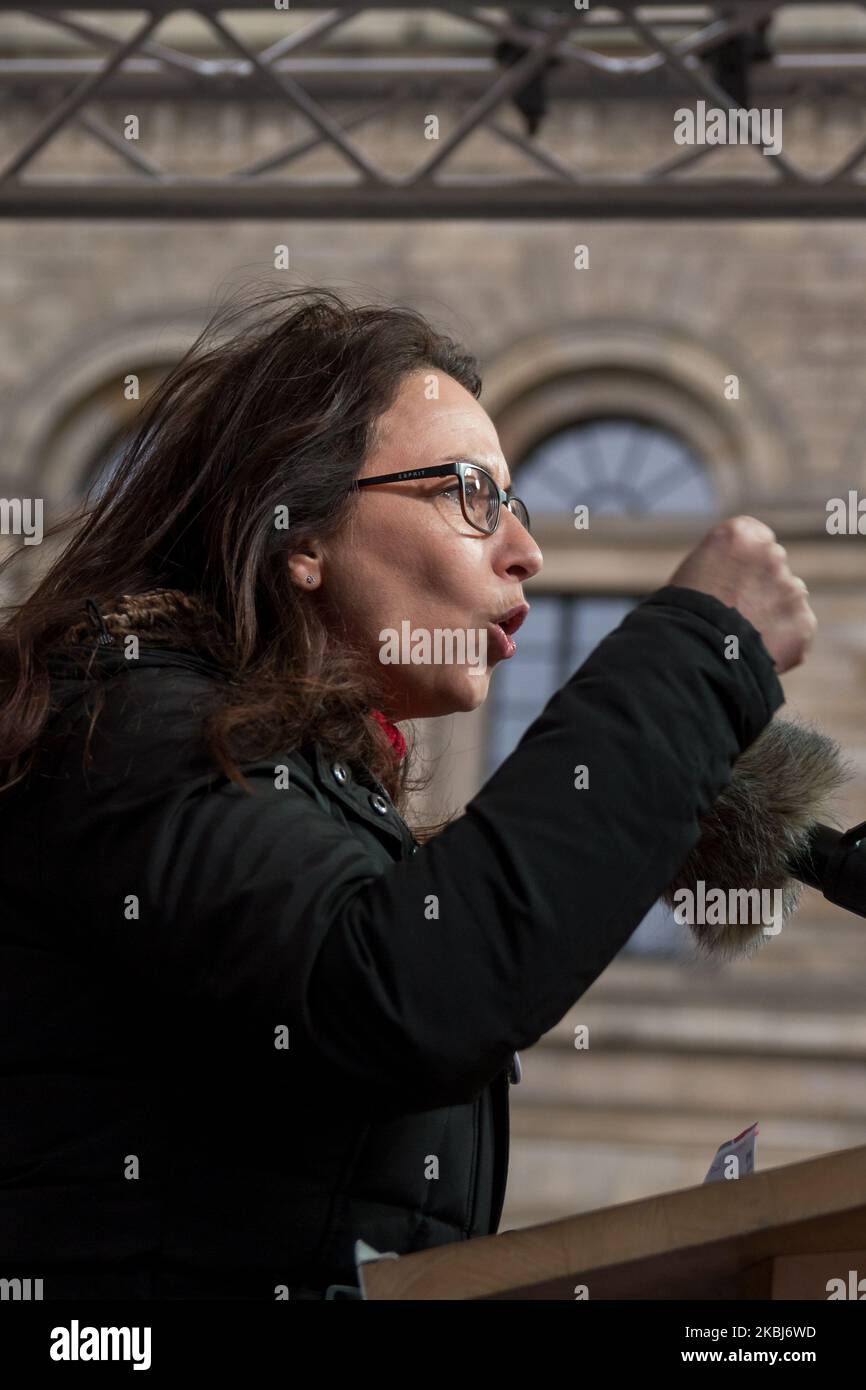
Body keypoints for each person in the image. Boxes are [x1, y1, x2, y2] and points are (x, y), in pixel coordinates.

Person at [0, 285, 815, 1300]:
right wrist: (696, 654)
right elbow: (402, 995)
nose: (523, 549)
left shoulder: (303, 782)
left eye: (515, 503)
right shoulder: (125, 720)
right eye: (469, 493)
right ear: (298, 531)